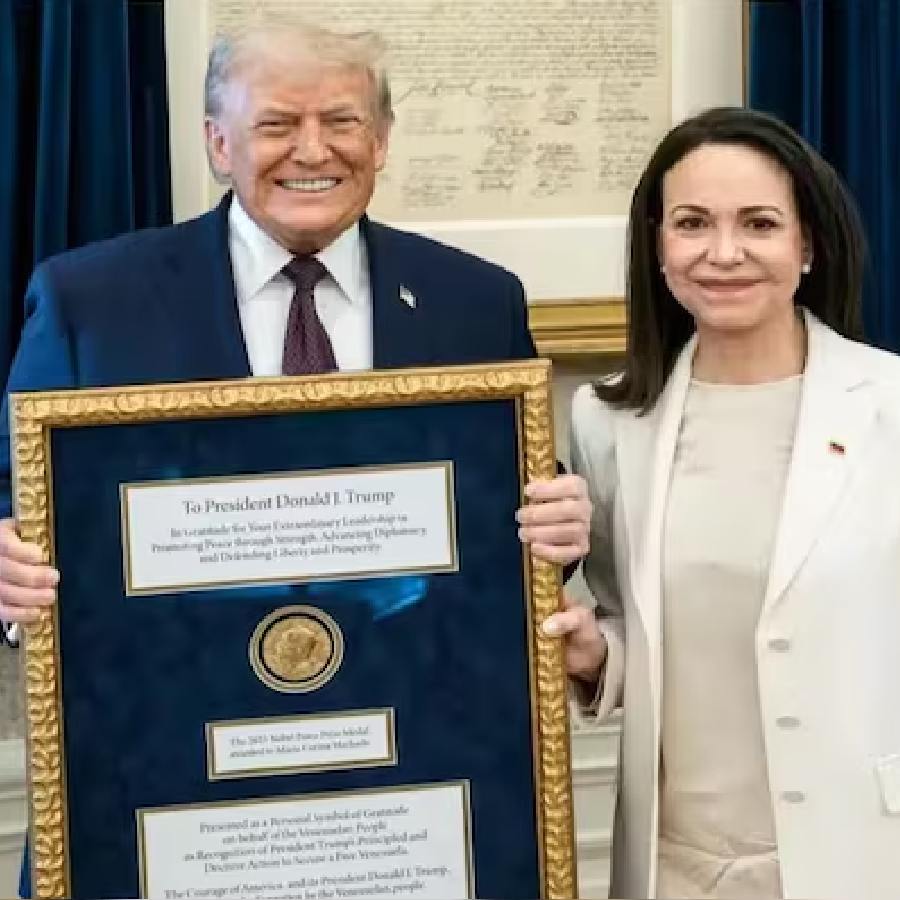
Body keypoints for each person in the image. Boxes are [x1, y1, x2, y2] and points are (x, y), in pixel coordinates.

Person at [0, 20, 590, 633]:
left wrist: (560, 531)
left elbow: (515, 500)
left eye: (341, 122)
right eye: (277, 125)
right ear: (219, 144)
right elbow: (14, 493)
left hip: (415, 693)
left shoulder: (476, 301)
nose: (312, 151)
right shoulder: (90, 304)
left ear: (381, 140)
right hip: (171, 697)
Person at [544, 107, 900, 900]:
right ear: (657, 245)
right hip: (675, 863)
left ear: (807, 245)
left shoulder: (890, 404)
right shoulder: (607, 421)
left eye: (760, 224)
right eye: (693, 223)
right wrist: (595, 656)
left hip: (863, 849)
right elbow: (626, 621)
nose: (724, 253)